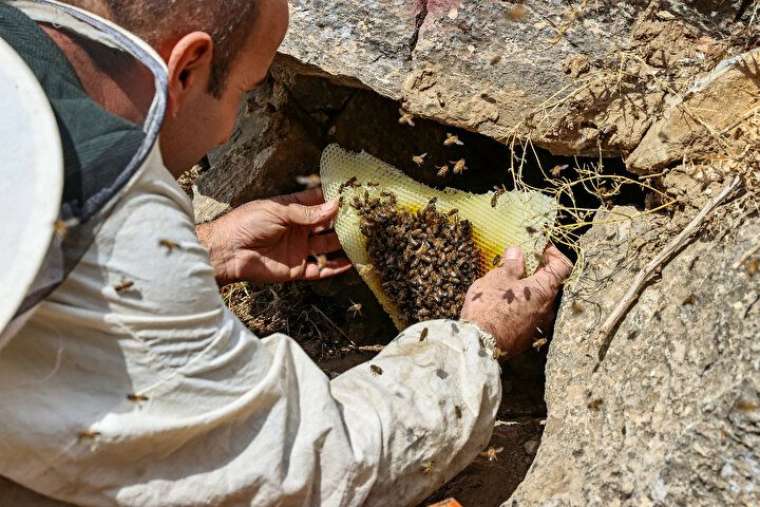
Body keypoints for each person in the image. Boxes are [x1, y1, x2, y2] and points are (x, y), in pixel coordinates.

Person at [0, 1, 572, 506]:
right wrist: (475, 342)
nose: (228, 133)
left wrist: (203, 248)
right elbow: (300, 470)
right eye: (249, 88)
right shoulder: (115, 220)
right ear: (188, 67)